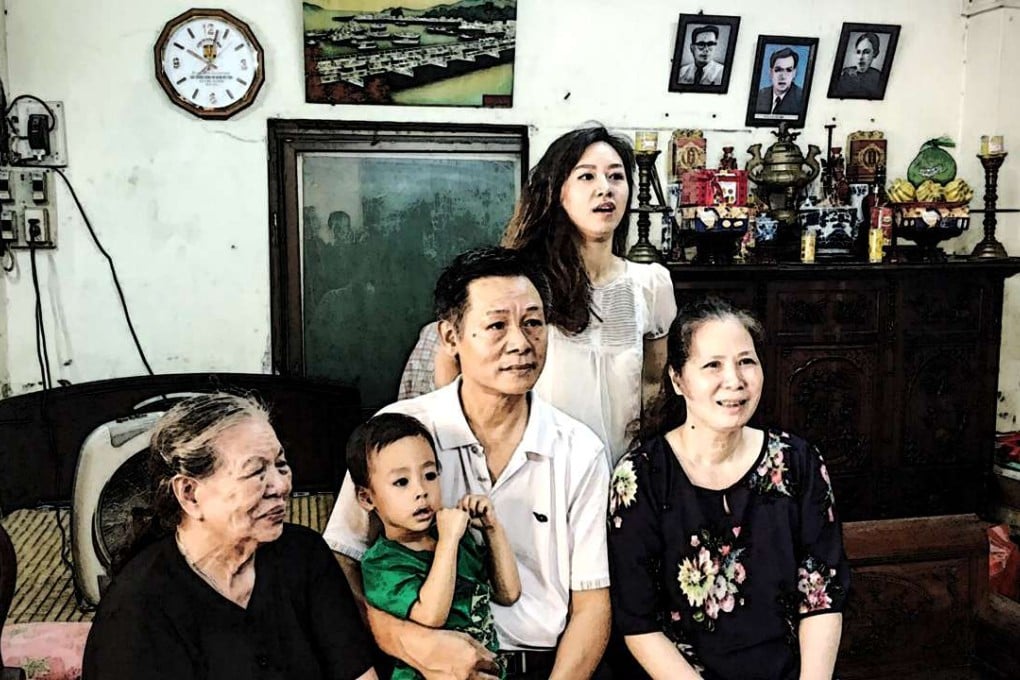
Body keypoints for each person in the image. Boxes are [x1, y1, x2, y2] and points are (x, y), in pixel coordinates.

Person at [325, 246, 612, 680]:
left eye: (533, 323)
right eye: (496, 325)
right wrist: (414, 643)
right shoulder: (399, 433)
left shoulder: (579, 449)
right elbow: (340, 564)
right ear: (450, 337)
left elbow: (592, 606)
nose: (520, 342)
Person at [402, 127, 676, 465]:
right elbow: (452, 363)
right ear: (557, 192)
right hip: (537, 468)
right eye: (586, 177)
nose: (605, 188)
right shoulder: (525, 281)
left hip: (623, 473)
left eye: (616, 177)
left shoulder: (651, 283)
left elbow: (653, 383)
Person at [607, 298, 849, 679]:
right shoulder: (642, 476)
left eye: (746, 361)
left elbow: (821, 597)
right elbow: (639, 623)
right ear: (677, 378)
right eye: (712, 365)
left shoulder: (799, 463)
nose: (734, 381)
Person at [83, 392, 377, 680]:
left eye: (281, 465)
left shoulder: (305, 555)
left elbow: (357, 672)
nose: (280, 486)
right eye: (255, 472)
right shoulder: (137, 610)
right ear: (190, 494)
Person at [348, 413, 521, 680]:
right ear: (367, 497)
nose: (421, 490)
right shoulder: (382, 562)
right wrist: (449, 541)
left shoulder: (455, 537)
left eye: (430, 475)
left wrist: (492, 529)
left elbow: (508, 593)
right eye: (401, 482)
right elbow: (430, 615)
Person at [754, 47, 804, 115]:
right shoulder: (760, 95)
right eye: (778, 70)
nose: (783, 76)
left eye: (788, 70)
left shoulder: (801, 99)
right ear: (771, 72)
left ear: (794, 73)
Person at [836, 33, 882, 97]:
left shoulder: (879, 77)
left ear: (875, 53)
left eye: (866, 52)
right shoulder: (843, 75)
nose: (861, 57)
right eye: (858, 52)